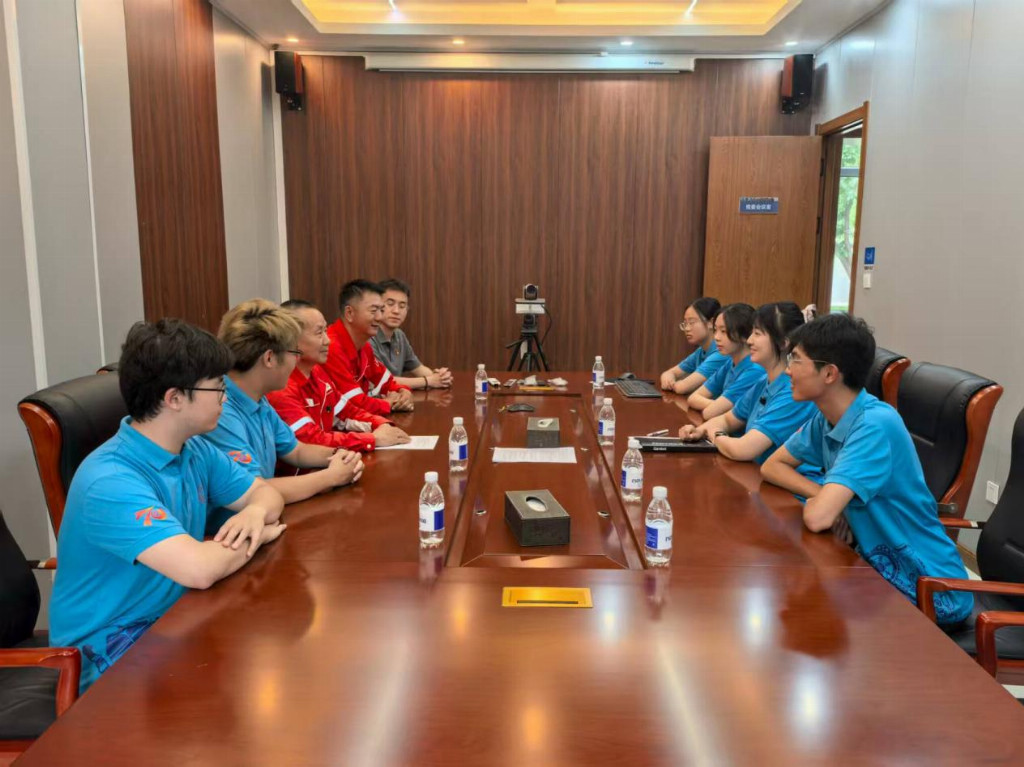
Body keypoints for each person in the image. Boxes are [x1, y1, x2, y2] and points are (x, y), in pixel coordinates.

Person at [49, 319, 287, 691]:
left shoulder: (194, 448)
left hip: (177, 618)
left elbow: (267, 495)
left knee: (272, 655)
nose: (225, 399)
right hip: (109, 655)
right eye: (218, 387)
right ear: (174, 398)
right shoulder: (110, 480)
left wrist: (255, 514)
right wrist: (257, 537)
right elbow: (199, 569)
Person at [761, 313, 973, 625]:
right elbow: (772, 466)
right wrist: (824, 495)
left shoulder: (873, 425)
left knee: (806, 607)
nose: (788, 369)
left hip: (930, 589)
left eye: (796, 360)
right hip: (872, 570)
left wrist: (828, 505)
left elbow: (818, 518)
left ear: (829, 373)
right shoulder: (827, 416)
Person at [202, 299, 364, 532]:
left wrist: (340, 455)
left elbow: (296, 451)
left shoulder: (259, 398)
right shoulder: (220, 409)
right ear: (269, 358)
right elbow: (255, 489)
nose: (297, 360)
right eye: (294, 352)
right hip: (229, 534)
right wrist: (331, 477)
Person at [680, 302, 816, 465]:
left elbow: (743, 450)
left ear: (783, 343)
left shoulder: (793, 392)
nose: (750, 340)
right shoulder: (763, 382)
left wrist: (715, 434)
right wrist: (699, 431)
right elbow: (727, 420)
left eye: (757, 333)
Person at [268, 299, 411, 451]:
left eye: (325, 331)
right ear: (291, 340)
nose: (327, 340)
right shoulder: (281, 387)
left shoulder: (317, 372)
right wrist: (372, 439)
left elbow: (348, 412)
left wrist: (382, 424)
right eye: (319, 333)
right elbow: (310, 440)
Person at [323, 279, 414, 419]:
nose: (380, 317)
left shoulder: (364, 345)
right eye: (373, 311)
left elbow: (388, 383)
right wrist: (388, 403)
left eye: (381, 310)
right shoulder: (331, 347)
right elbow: (354, 403)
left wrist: (404, 393)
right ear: (349, 313)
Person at [370, 278, 453, 391]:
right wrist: (429, 381)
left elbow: (418, 368)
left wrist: (440, 377)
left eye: (402, 306)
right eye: (390, 304)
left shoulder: (399, 335)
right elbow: (381, 381)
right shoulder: (368, 336)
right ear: (377, 306)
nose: (396, 311)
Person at [686, 303, 766, 419]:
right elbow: (693, 398)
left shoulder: (754, 370)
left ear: (744, 335)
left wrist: (719, 408)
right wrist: (720, 407)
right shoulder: (730, 362)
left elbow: (711, 412)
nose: (716, 337)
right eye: (715, 330)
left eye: (723, 331)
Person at [659, 297, 729, 395]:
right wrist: (669, 380)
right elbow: (668, 373)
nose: (687, 329)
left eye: (691, 322)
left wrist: (672, 384)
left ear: (711, 323)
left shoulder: (721, 353)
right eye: (685, 323)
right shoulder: (701, 351)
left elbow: (683, 387)